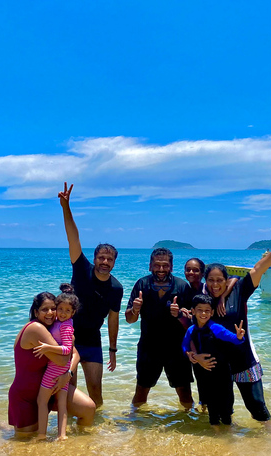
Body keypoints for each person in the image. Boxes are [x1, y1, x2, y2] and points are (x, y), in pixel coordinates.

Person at [189, 228, 271, 424]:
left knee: (256, 407)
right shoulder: (203, 301)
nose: (215, 285)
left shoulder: (240, 291)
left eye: (220, 280)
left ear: (226, 281)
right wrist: (195, 356)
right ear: (205, 281)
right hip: (217, 364)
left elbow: (259, 268)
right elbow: (193, 332)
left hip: (243, 359)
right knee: (220, 410)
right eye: (211, 280)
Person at [59, 183, 123, 408]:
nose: (105, 262)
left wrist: (112, 350)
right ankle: (71, 432)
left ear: (114, 263)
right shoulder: (81, 268)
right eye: (101, 258)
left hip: (93, 340)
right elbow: (73, 238)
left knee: (96, 392)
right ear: (94, 259)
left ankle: (95, 434)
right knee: (70, 389)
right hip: (69, 336)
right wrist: (66, 207)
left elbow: (113, 319)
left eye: (109, 259)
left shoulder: (116, 288)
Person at [7, 292, 95, 438]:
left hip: (51, 386)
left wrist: (68, 375)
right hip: (27, 398)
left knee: (88, 409)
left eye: (53, 308)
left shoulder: (54, 327)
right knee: (28, 444)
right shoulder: (36, 328)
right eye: (44, 309)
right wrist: (70, 342)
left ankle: (79, 447)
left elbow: (76, 355)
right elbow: (62, 360)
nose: (50, 313)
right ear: (36, 312)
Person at [125, 247, 193, 408]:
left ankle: (190, 426)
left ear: (171, 266)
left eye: (165, 265)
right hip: (149, 347)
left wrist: (180, 315)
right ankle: (136, 425)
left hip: (177, 349)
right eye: (157, 265)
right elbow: (129, 319)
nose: (161, 269)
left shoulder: (182, 286)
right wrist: (135, 309)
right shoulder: (142, 284)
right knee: (141, 391)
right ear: (150, 266)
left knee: (184, 392)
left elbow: (191, 325)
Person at [182, 294, 245, 428]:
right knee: (212, 406)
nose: (203, 313)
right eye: (200, 310)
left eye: (207, 310)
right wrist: (189, 354)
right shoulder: (191, 330)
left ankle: (228, 433)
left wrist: (239, 337)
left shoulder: (216, 328)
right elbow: (185, 345)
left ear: (212, 312)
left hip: (222, 373)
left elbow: (232, 338)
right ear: (193, 311)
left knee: (226, 405)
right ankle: (215, 433)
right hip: (204, 373)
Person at [34, 285, 81, 440]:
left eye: (67, 311)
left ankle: (41, 434)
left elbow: (67, 350)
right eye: (60, 309)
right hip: (62, 369)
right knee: (62, 404)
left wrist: (48, 347)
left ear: (73, 313)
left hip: (56, 369)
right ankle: (62, 435)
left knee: (42, 401)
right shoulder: (59, 322)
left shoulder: (66, 326)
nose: (62, 313)